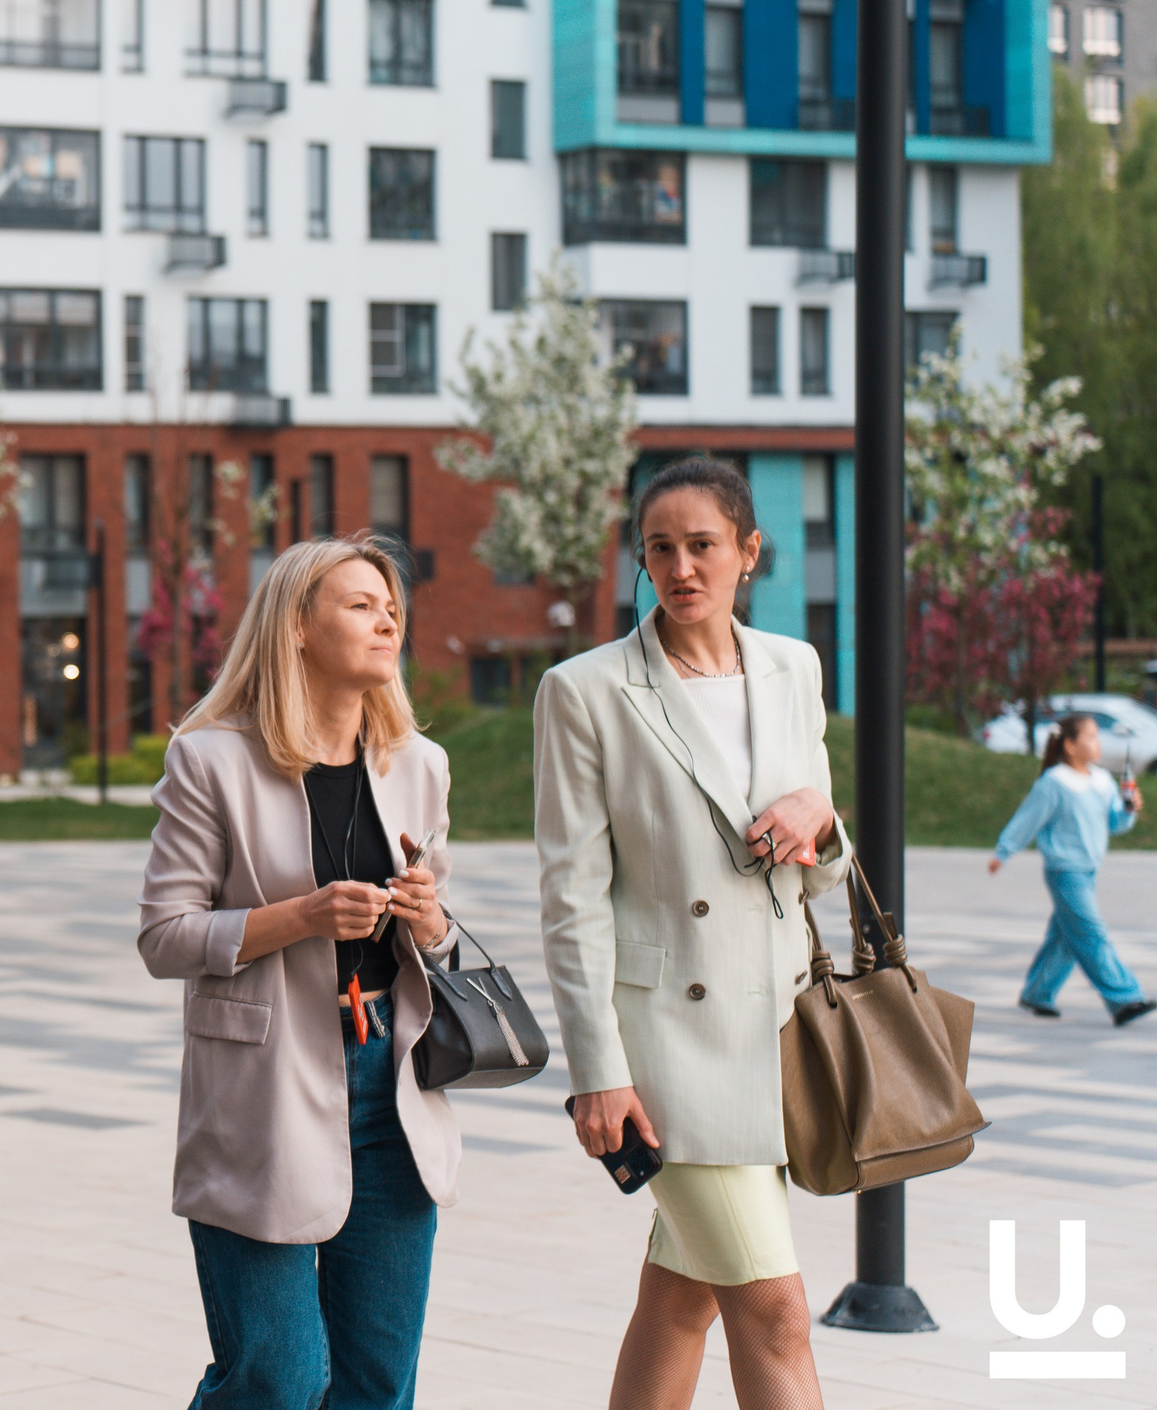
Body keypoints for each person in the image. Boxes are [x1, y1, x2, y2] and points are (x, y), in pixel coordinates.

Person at [535, 456, 852, 1410]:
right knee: (777, 1310)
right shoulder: (585, 690)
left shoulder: (793, 665)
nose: (681, 568)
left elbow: (826, 865)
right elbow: (572, 894)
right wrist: (598, 1068)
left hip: (777, 1035)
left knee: (681, 1303)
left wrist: (821, 821)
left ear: (749, 551)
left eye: (703, 545)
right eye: (659, 550)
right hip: (671, 1040)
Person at [139, 537, 459, 1410]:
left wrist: (431, 920)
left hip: (391, 1084)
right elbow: (163, 936)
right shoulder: (211, 760)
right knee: (279, 1378)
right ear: (297, 629)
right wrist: (303, 916)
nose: (386, 615)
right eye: (359, 603)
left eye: (390, 602)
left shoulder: (418, 766)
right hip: (262, 1088)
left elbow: (439, 942)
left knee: (375, 1382)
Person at [991, 713, 1154, 1026]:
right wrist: (1003, 851)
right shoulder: (1054, 783)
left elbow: (1116, 824)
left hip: (1089, 871)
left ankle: (1037, 994)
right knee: (1091, 933)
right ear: (1069, 745)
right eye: (1090, 737)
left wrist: (1129, 809)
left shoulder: (1103, 781)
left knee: (1066, 937)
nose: (1097, 742)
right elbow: (1028, 819)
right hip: (1064, 872)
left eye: (1097, 736)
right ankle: (1125, 999)